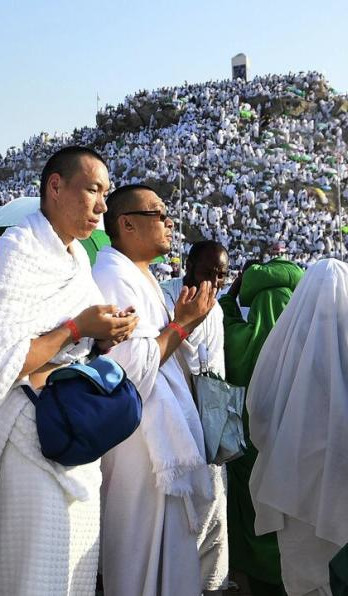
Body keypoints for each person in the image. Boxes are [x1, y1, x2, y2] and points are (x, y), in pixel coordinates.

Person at [0, 146, 138, 595]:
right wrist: (78, 326)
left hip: (74, 440)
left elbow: (69, 343)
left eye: (106, 193)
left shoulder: (78, 258)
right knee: (32, 577)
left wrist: (101, 336)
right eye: (93, 191)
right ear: (55, 187)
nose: (102, 206)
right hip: (27, 439)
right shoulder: (15, 253)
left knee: (75, 575)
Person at [92, 183, 219, 595]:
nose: (169, 222)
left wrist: (185, 323)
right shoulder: (111, 275)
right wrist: (183, 325)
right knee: (138, 559)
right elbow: (131, 364)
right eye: (158, 214)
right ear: (126, 223)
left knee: (171, 560)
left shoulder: (140, 276)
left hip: (160, 438)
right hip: (138, 443)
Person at [247, 259, 348, 596]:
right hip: (341, 490)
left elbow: (258, 415)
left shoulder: (284, 347)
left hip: (291, 488)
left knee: (305, 582)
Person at [221, 257, 303, 595]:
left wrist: (233, 292)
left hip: (250, 453)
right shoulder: (310, 343)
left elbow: (221, 315)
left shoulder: (237, 338)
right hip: (296, 458)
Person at [161, 240, 232, 594]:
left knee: (213, 514)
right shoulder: (163, 298)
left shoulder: (216, 310)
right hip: (172, 421)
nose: (215, 283)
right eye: (208, 273)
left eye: (222, 275)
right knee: (177, 518)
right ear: (188, 265)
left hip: (209, 423)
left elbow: (214, 368)